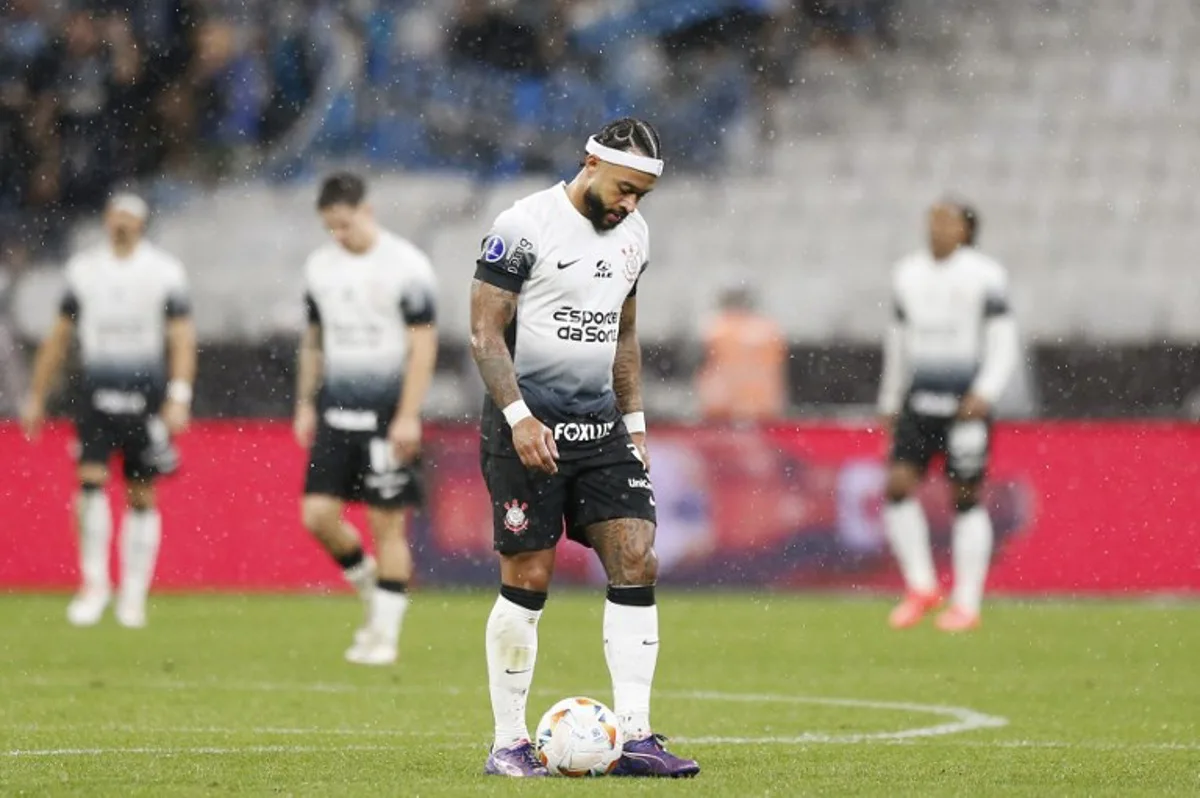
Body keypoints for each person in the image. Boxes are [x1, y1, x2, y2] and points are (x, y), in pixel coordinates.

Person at [470, 117, 699, 778]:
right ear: (589, 164)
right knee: (528, 578)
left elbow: (623, 335)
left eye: (641, 196)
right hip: (525, 431)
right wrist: (517, 416)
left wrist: (636, 425)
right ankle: (509, 743)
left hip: (601, 430)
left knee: (637, 555)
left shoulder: (634, 236)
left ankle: (635, 737)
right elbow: (485, 332)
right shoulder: (522, 224)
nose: (630, 205)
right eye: (625, 189)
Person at [21, 192, 195, 629]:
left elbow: (181, 337)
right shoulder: (84, 270)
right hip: (96, 394)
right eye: (115, 215)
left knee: (141, 492)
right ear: (105, 219)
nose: (122, 223)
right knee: (90, 482)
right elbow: (59, 336)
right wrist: (37, 394)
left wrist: (179, 394)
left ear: (142, 222)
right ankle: (94, 584)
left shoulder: (164, 271)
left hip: (146, 397)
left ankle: (133, 592)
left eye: (130, 217)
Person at [294, 173, 438, 666]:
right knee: (316, 515)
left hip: (386, 415)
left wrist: (408, 416)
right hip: (336, 409)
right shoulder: (319, 268)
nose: (339, 235)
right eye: (330, 228)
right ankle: (373, 591)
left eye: (345, 225)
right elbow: (314, 341)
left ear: (367, 211)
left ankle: (384, 637)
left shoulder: (406, 266)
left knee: (387, 525)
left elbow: (423, 345)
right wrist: (305, 403)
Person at [877, 201, 1019, 632]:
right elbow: (898, 342)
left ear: (965, 229)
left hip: (964, 404)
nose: (937, 226)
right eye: (932, 218)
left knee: (965, 496)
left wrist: (986, 391)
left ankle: (967, 603)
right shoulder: (907, 274)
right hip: (920, 401)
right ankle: (921, 587)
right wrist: (889, 399)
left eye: (947, 220)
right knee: (898, 486)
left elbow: (1004, 340)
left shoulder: (985, 275)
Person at [695, 284, 788, 423]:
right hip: (764, 407)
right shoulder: (769, 330)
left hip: (722, 406)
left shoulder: (714, 329)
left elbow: (703, 364)